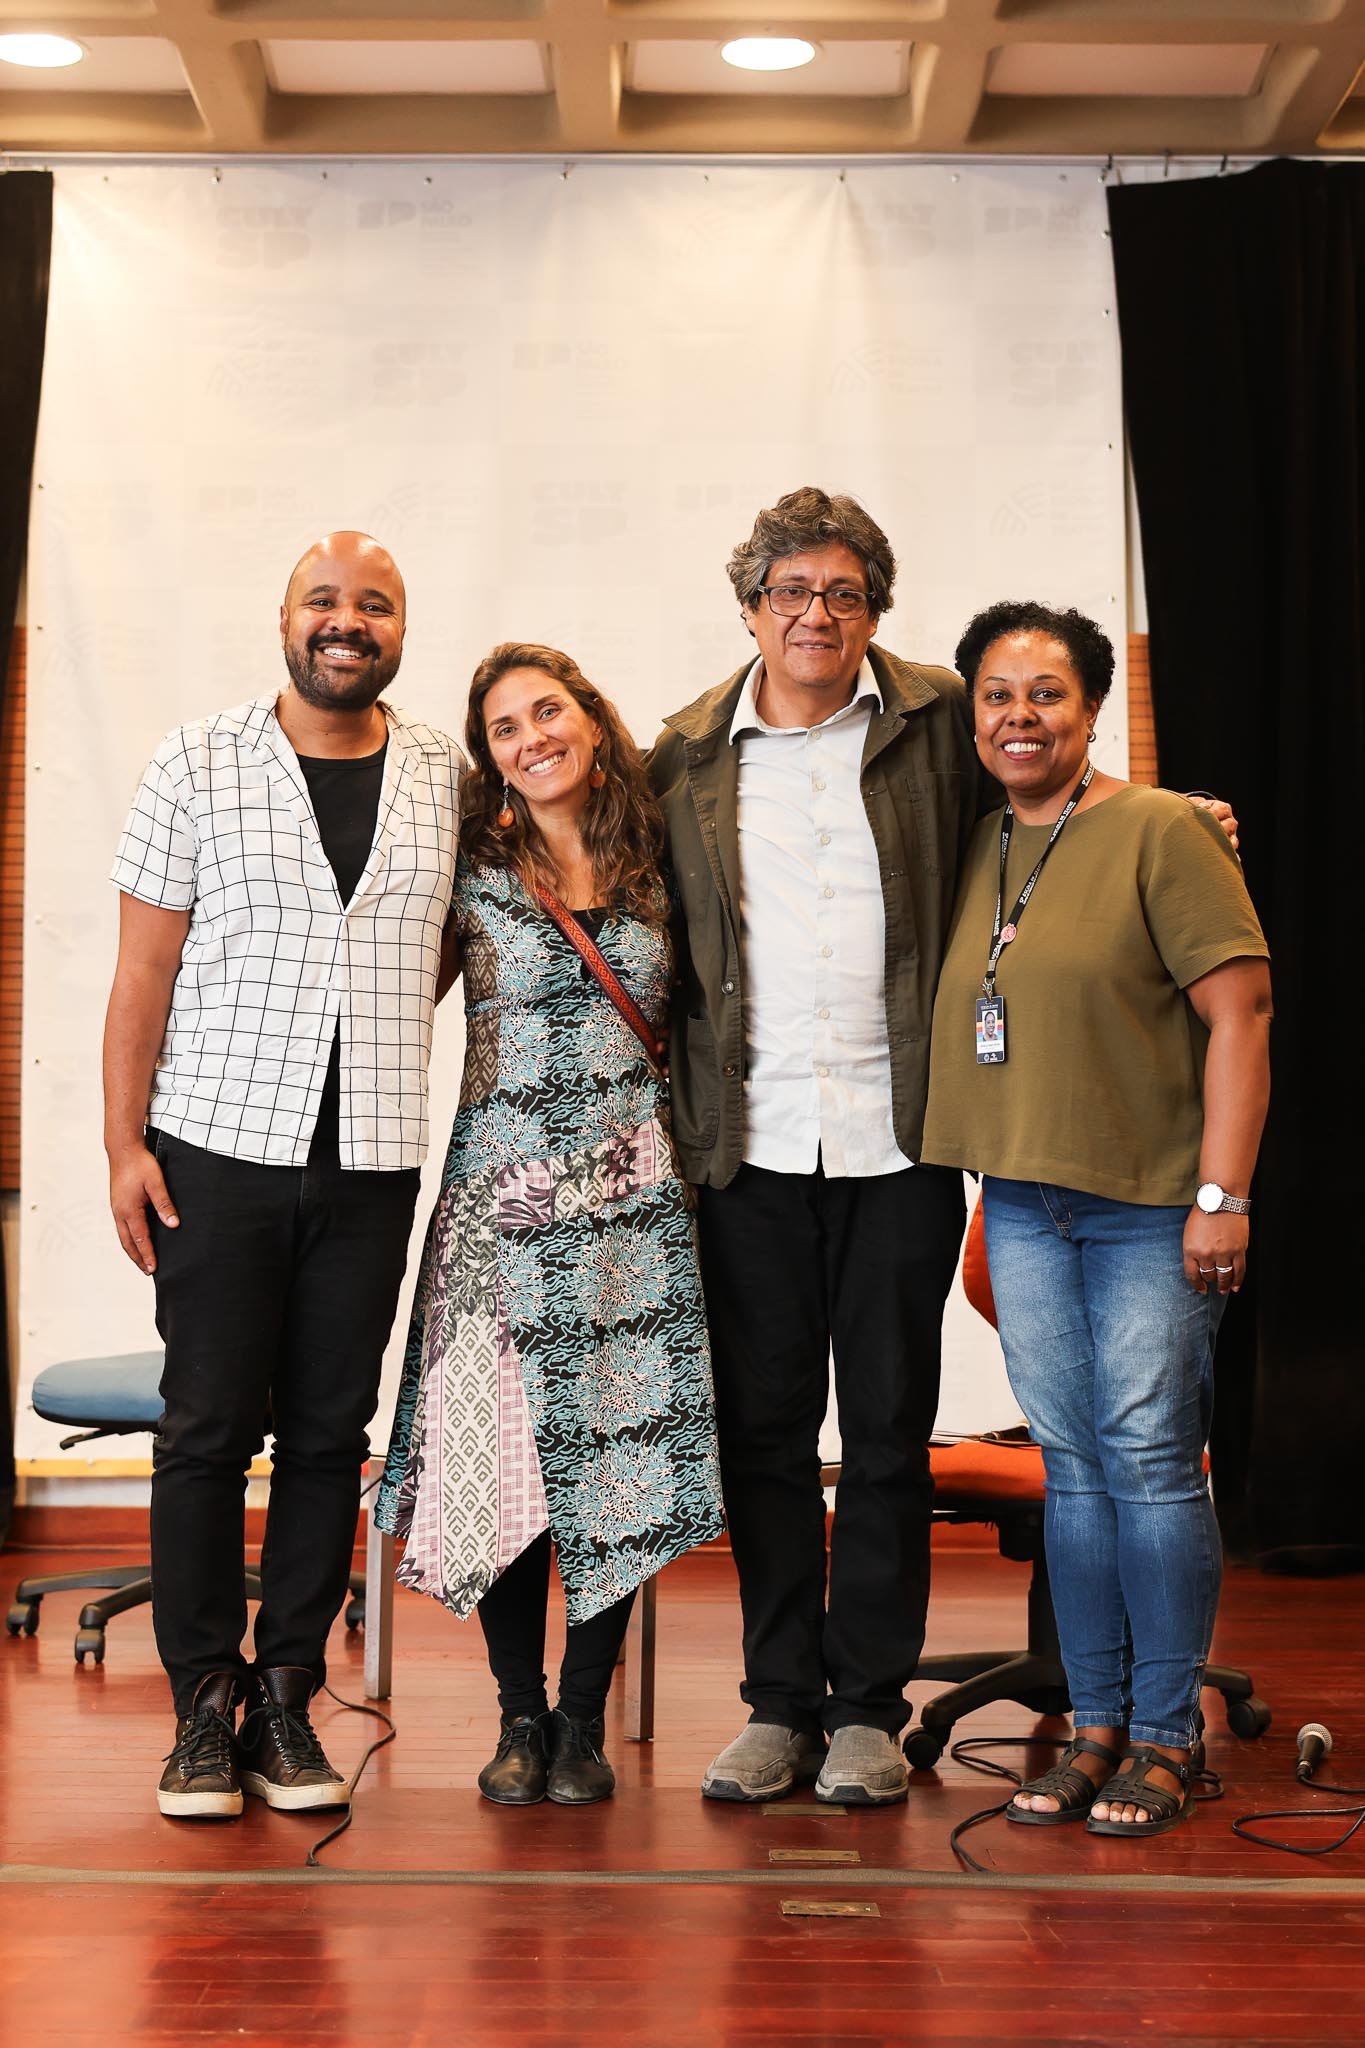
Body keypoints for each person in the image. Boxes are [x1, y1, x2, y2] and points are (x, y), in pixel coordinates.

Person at [649, 486, 1240, 1810]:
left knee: (887, 1436)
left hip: (898, 1144)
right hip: (745, 1150)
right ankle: (777, 1703)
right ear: (749, 607)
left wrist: (1178, 813)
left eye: (843, 592)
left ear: (874, 611)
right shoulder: (683, 755)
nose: (816, 614)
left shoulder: (938, 719)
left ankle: (867, 1707)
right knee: (762, 1436)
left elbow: (1059, 792)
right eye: (791, 592)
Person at [104, 531, 463, 1820]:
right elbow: (143, 970)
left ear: (400, 629)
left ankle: (286, 1696)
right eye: (325, 599)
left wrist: (377, 1022)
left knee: (327, 1434)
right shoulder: (196, 758)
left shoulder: (444, 772)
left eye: (375, 604)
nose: (347, 621)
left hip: (369, 1158)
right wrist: (123, 1145)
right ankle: (203, 1704)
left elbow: (442, 944)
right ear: (285, 618)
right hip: (214, 1149)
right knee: (206, 1430)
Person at [921, 600, 1271, 1837]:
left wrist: (1222, 1195)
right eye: (996, 695)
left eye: (1047, 692)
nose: (1019, 716)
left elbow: (1242, 1015)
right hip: (1022, 1202)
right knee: (1074, 1469)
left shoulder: (1164, 829)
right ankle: (1096, 1724)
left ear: (1093, 706)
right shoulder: (975, 844)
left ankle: (1170, 1736)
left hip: (1151, 1209)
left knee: (1152, 1463)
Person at [376, 643, 723, 1808]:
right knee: (505, 1464)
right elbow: (384, 983)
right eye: (506, 728)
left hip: (629, 1205)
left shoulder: (663, 857)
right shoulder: (470, 869)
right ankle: (519, 1714)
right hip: (500, 1206)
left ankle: (582, 1716)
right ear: (492, 759)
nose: (532, 738)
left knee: (614, 1463)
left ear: (591, 718)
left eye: (547, 711)